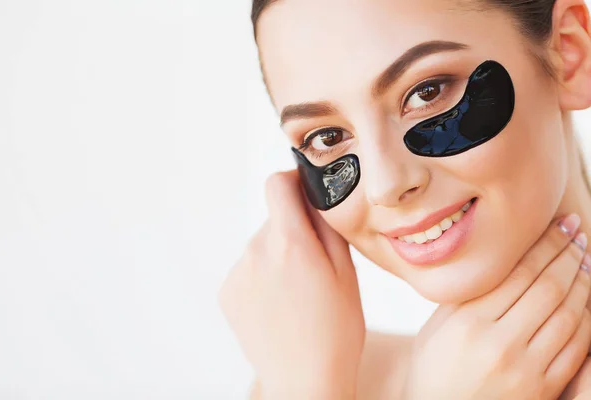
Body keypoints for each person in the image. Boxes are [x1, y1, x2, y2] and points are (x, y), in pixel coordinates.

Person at [220, 0, 591, 398]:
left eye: (425, 93)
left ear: (569, 52)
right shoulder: (329, 377)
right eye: (326, 138)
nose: (384, 185)